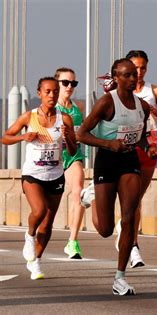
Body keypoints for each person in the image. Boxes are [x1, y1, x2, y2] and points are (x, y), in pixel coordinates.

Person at [77, 58, 151, 296]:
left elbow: (140, 135)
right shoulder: (107, 103)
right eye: (127, 75)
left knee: (129, 217)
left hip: (129, 161)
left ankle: (120, 278)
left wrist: (149, 148)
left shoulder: (143, 106)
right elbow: (82, 134)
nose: (133, 79)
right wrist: (108, 143)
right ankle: (92, 196)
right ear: (116, 78)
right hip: (107, 161)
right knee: (106, 229)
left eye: (135, 75)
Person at [2, 77, 76, 279]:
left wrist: (68, 135)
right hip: (33, 174)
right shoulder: (29, 117)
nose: (51, 95)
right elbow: (5, 137)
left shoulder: (65, 119)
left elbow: (73, 149)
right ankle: (29, 235)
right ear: (39, 93)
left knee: (48, 223)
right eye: (47, 91)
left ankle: (36, 262)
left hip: (55, 175)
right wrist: (22, 137)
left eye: (54, 91)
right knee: (39, 210)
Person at [120, 50, 157, 268]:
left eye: (142, 68)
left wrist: (155, 112)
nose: (139, 72)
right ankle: (133, 245)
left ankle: (129, 238)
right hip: (126, 145)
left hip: (149, 146)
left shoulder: (155, 91)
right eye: (134, 68)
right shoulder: (118, 90)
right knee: (130, 200)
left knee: (136, 198)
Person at [54, 68, 86, 259]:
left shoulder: (78, 108)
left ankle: (72, 242)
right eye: (65, 82)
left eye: (73, 83)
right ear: (56, 83)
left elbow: (81, 133)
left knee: (79, 192)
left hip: (73, 156)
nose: (69, 87)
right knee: (47, 209)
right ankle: (33, 237)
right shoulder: (50, 108)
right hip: (52, 159)